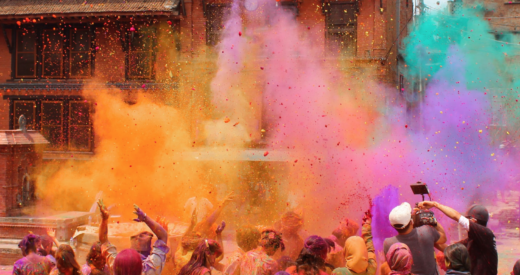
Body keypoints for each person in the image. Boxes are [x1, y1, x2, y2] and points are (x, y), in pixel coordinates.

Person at [418, 202, 497, 275]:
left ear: (473, 221)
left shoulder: (487, 235)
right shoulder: (471, 241)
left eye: (467, 219)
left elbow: (456, 216)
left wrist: (435, 204)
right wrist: (430, 229)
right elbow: (448, 249)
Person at [99, 201, 170, 275]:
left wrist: (104, 219)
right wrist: (145, 218)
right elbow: (163, 236)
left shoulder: (115, 268)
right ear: (140, 266)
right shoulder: (149, 271)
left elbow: (103, 241)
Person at [175, 192, 234, 274]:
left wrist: (191, 226)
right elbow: (220, 256)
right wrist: (219, 235)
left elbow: (183, 239)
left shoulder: (179, 255)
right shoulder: (202, 261)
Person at [383, 202, 446, 275]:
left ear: (392, 225)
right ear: (411, 221)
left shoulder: (388, 243)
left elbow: (391, 265)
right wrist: (429, 216)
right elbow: (443, 238)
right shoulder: (427, 231)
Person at [332, 210, 376, 275]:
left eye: (345, 223)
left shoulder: (338, 272)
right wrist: (366, 225)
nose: (341, 223)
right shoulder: (371, 269)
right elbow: (370, 251)